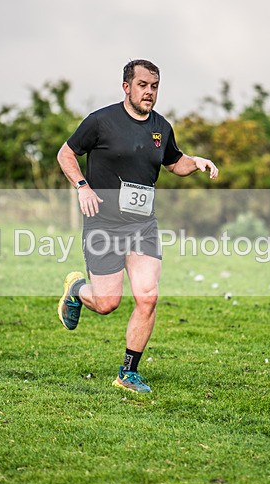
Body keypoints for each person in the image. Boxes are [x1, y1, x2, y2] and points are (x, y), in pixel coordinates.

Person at [56, 59, 218, 393]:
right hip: (103, 225)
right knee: (107, 304)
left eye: (154, 86)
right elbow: (65, 154)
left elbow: (175, 162)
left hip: (142, 227)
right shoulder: (101, 122)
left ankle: (127, 373)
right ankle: (75, 291)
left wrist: (196, 162)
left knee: (148, 296)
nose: (149, 92)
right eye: (142, 85)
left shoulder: (161, 127)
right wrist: (82, 187)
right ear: (126, 87)